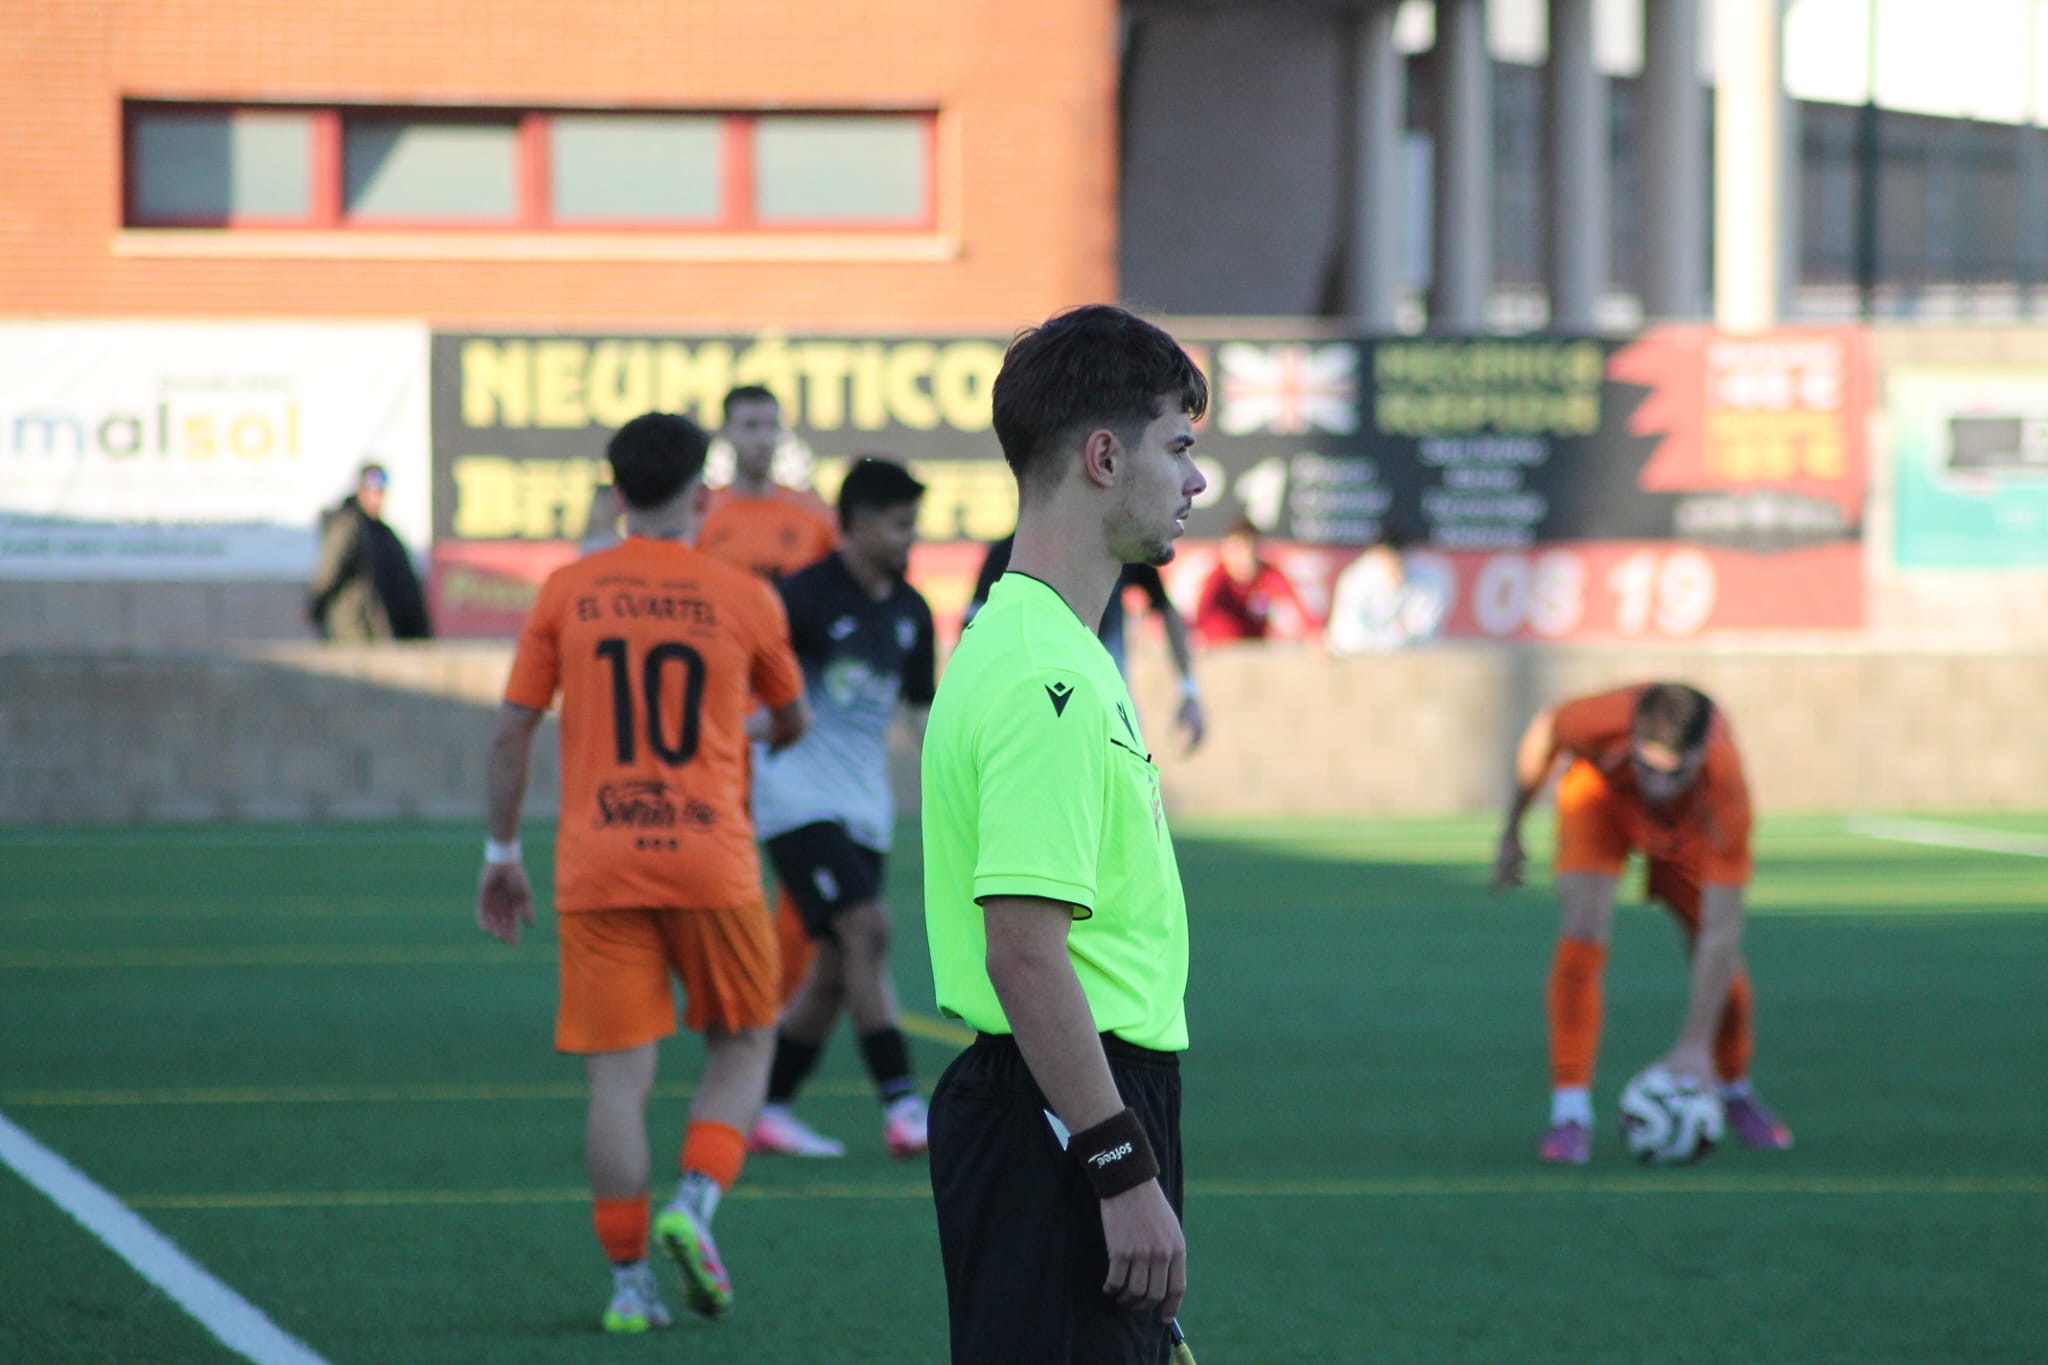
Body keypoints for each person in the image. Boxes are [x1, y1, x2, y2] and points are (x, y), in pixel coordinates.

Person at [476, 411, 810, 1333]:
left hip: (599, 860)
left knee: (618, 1083)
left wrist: (501, 853)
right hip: (711, 857)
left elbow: (511, 731)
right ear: (702, 495)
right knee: (746, 1041)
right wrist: (742, 728)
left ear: (616, 492)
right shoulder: (745, 596)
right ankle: (693, 1203)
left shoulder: (567, 589)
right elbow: (792, 718)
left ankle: (629, 1287)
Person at [922, 304, 1207, 1364]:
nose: (1195, 480)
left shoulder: (1047, 646)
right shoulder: (1048, 673)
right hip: (1064, 1106)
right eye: (1177, 447)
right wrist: (1118, 1166)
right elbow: (1025, 950)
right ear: (1103, 457)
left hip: (1070, 1099)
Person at [1490, 682, 1795, 1165]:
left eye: (1674, 773)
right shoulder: (1595, 720)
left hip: (1687, 826)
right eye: (1648, 767)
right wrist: (1511, 830)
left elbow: (1722, 930)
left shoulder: (1724, 787)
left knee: (1714, 951)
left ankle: (1734, 1088)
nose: (1658, 785)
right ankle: (1570, 1114)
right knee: (1582, 927)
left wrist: (1693, 1047)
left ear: (1701, 752)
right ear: (1632, 738)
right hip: (1601, 800)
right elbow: (1543, 733)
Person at [746, 457, 939, 1161]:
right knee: (868, 927)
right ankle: (903, 1106)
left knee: (834, 968)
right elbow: (747, 684)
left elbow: (920, 712)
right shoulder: (800, 598)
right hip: (795, 797)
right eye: (899, 524)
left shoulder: (912, 610)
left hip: (864, 806)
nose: (909, 537)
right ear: (855, 525)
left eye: (913, 524)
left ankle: (766, 1108)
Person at [966, 533, 1206, 753]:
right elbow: (972, 629)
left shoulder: (1122, 546)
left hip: (1110, 712)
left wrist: (1189, 690)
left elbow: (1164, 607)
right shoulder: (1010, 553)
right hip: (1037, 714)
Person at [697, 384, 839, 583]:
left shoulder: (814, 511)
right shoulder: (701, 513)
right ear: (725, 432)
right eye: (750, 427)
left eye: (772, 426)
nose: (764, 440)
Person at [308, 462, 431, 640]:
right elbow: (329, 572)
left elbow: (406, 588)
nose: (377, 499)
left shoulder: (385, 534)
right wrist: (315, 608)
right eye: (372, 492)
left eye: (381, 492)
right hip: (352, 631)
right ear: (361, 492)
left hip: (374, 632)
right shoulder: (348, 527)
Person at [1323, 521, 1449, 655]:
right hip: (1353, 659)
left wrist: (1392, 637)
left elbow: (1423, 630)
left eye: (1402, 556)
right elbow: (1349, 637)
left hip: (1409, 659)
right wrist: (1393, 636)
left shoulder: (1427, 575)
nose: (1395, 564)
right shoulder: (1356, 578)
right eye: (1389, 555)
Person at [1190, 515, 1312, 645]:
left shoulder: (1267, 575)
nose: (1241, 560)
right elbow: (1200, 614)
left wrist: (1313, 631)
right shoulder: (1217, 579)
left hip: (1254, 649)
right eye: (1234, 552)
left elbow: (1299, 606)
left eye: (1246, 552)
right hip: (1222, 649)